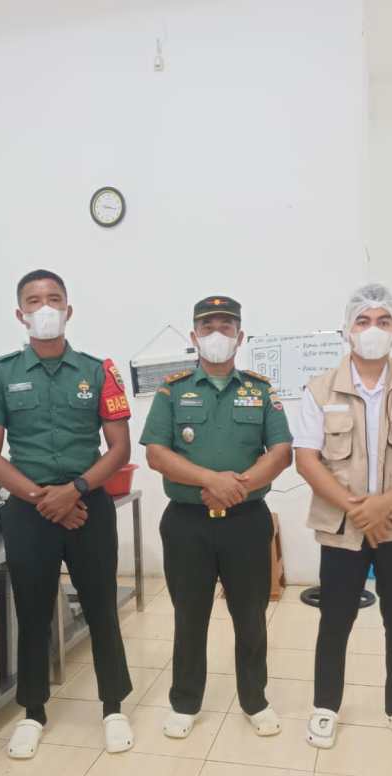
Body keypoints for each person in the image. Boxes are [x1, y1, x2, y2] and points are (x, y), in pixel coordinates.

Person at [0, 269, 134, 759]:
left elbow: (119, 448)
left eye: (54, 299)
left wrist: (75, 490)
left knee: (102, 606)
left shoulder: (98, 371)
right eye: (34, 300)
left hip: (89, 504)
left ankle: (113, 707)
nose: (44, 307)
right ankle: (33, 713)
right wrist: (45, 499)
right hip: (29, 509)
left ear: (68, 309)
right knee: (33, 610)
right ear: (20, 313)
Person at [294, 283, 392, 751]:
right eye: (363, 321)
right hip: (343, 526)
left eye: (383, 321)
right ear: (347, 329)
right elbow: (307, 460)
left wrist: (385, 505)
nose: (372, 330)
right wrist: (360, 510)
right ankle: (325, 707)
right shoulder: (321, 388)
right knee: (335, 618)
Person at [140, 295, 293, 738]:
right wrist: (210, 479)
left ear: (240, 336)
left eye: (226, 327)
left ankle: (255, 699)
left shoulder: (260, 391)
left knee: (251, 616)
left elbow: (282, 452)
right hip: (187, 523)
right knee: (189, 616)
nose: (217, 335)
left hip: (247, 522)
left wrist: (235, 487)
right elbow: (156, 453)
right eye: (207, 327)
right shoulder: (172, 391)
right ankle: (185, 702)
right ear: (194, 336)